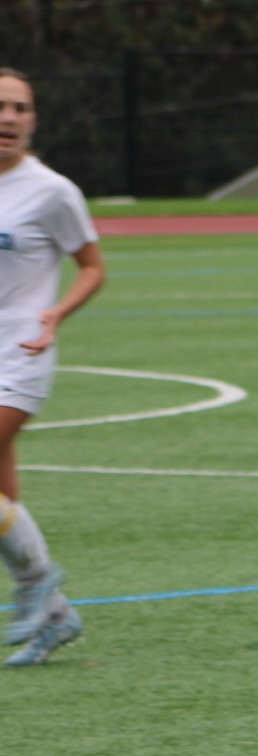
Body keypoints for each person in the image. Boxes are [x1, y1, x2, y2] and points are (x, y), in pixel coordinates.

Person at [0, 68, 104, 667]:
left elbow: (93, 266)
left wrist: (56, 313)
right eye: (0, 106)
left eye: (20, 107)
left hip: (23, 353)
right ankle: (55, 613)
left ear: (33, 119)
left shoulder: (51, 190)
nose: (8, 117)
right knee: (2, 500)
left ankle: (35, 585)